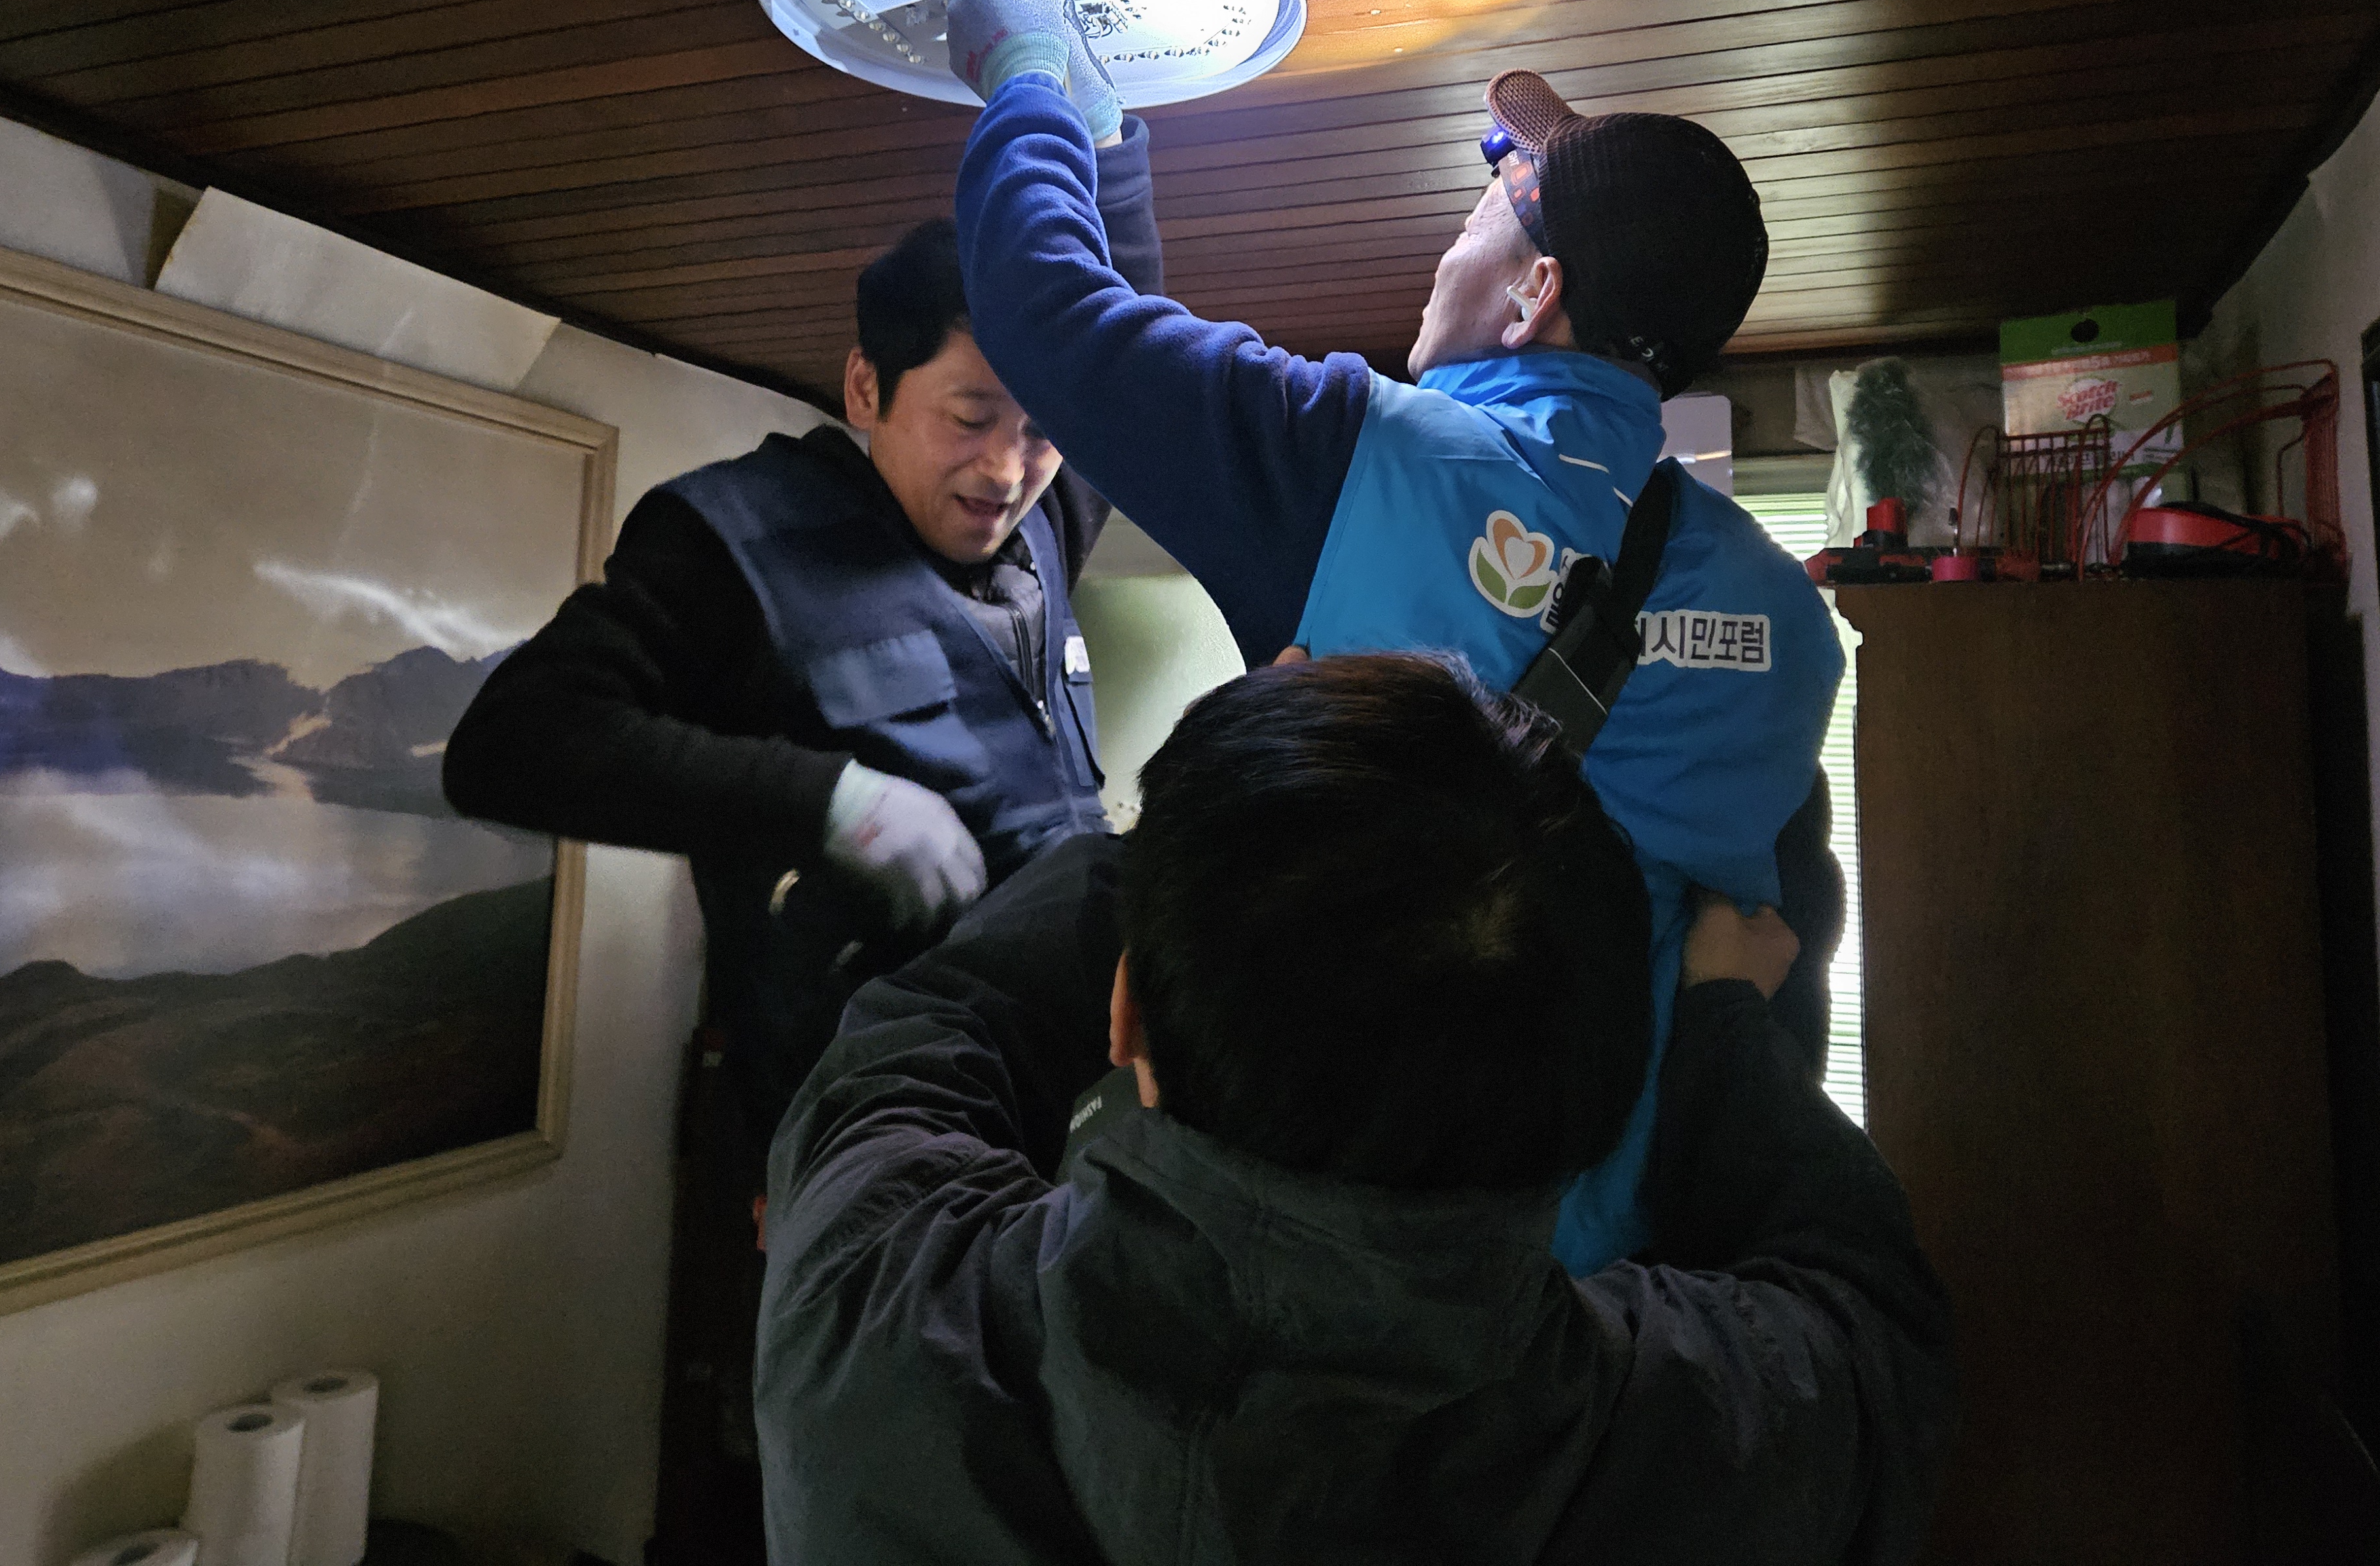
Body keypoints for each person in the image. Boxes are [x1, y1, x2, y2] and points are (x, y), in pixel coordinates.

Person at [925, 0, 1847, 1272]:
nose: (1446, 250)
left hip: (1321, 1238)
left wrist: (1025, 75)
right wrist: (1107, 135)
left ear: (1532, 295)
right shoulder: (1785, 621)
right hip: (1611, 1281)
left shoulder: (1359, 461)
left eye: (1475, 216)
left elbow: (1051, 316)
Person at [756, 652, 1956, 1565]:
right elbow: (1866, 1297)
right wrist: (1727, 1023)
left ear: (1125, 1019)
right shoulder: (1718, 1454)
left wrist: (1226, 823)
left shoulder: (866, 1315)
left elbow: (928, 1029)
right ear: (1601, 1090)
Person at [439, 171, 1162, 1556]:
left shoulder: (1039, 521)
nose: (1008, 468)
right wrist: (830, 799)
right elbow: (510, 745)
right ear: (865, 387)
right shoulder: (736, 539)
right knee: (877, 1496)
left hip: (1059, 1126)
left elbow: (1114, 330)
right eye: (970, 416)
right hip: (851, 1147)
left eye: (1038, 428)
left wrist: (1108, 130)